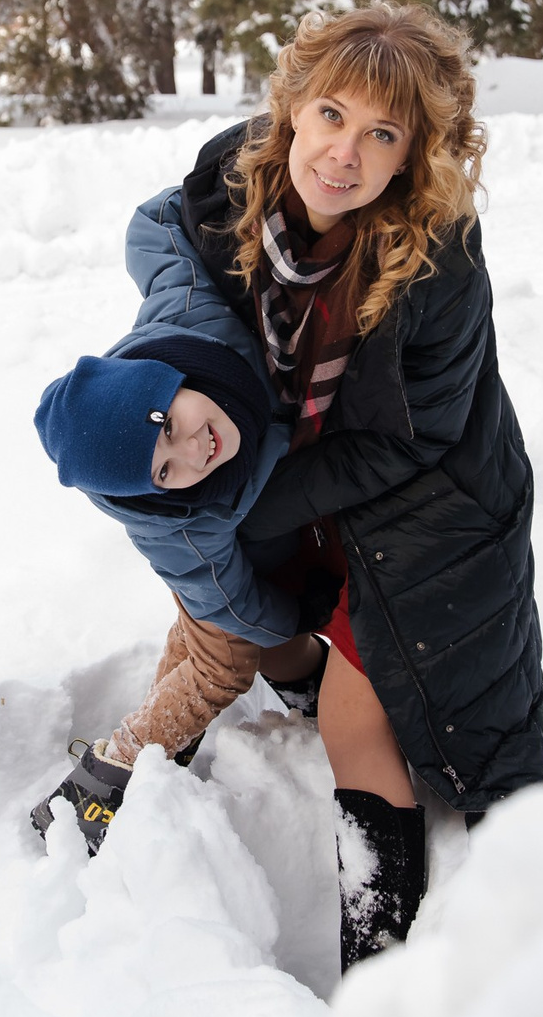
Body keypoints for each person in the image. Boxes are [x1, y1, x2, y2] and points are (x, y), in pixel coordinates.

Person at [178, 3, 543, 969]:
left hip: (426, 510)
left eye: (381, 133)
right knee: (253, 607)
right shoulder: (236, 181)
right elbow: (161, 247)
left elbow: (407, 441)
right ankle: (301, 673)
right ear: (293, 108)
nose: (344, 152)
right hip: (305, 480)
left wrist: (253, 494)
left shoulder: (439, 259)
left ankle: (379, 969)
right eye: (332, 114)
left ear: (413, 154)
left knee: (357, 713)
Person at [28, 266, 333, 853]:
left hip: (211, 577)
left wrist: (212, 200)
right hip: (217, 578)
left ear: (163, 380)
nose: (193, 450)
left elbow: (163, 238)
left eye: (167, 424)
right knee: (219, 667)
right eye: (165, 471)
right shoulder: (182, 527)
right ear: (154, 491)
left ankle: (157, 751)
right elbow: (236, 609)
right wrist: (295, 615)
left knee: (196, 637)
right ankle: (107, 782)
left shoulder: (192, 321)